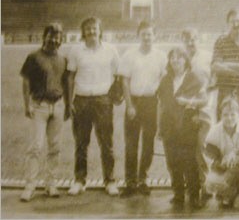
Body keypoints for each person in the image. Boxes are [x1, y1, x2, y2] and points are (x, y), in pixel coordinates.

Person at [66, 17, 119, 196]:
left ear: (100, 30)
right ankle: (80, 180)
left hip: (103, 100)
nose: (91, 32)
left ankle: (110, 180)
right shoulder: (75, 50)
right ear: (83, 32)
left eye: (94, 28)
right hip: (81, 100)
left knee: (106, 143)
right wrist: (69, 102)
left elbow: (117, 75)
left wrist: (114, 97)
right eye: (87, 29)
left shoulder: (111, 50)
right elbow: (70, 77)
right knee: (81, 143)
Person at [19, 23, 69, 202]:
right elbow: (25, 82)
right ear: (44, 36)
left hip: (57, 106)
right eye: (51, 36)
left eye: (57, 37)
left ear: (60, 40)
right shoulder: (33, 57)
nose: (54, 40)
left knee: (55, 147)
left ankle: (51, 183)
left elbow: (66, 84)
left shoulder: (63, 59)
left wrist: (68, 106)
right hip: (39, 105)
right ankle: (30, 185)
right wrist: (27, 105)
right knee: (36, 146)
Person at [118, 21, 167, 197]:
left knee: (148, 145)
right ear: (138, 35)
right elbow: (124, 81)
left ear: (155, 36)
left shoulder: (161, 57)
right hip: (135, 102)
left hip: (152, 103)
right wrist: (130, 105)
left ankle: (142, 179)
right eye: (144, 34)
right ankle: (130, 182)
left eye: (150, 34)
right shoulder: (130, 55)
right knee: (131, 145)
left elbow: (164, 82)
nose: (147, 37)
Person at [157, 47, 207, 209]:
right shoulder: (165, 80)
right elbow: (162, 104)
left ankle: (194, 194)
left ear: (186, 60)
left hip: (188, 124)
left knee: (189, 160)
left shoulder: (194, 78)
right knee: (172, 161)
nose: (175, 60)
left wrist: (188, 102)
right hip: (169, 125)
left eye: (179, 57)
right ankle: (178, 193)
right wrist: (160, 126)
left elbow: (205, 101)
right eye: (172, 57)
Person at [181, 28, 214, 202]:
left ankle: (206, 185)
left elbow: (215, 81)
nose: (191, 42)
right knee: (188, 148)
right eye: (187, 39)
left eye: (194, 39)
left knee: (201, 146)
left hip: (204, 108)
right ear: (182, 41)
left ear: (199, 39)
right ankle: (192, 186)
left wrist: (203, 98)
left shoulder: (208, 57)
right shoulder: (179, 57)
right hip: (185, 110)